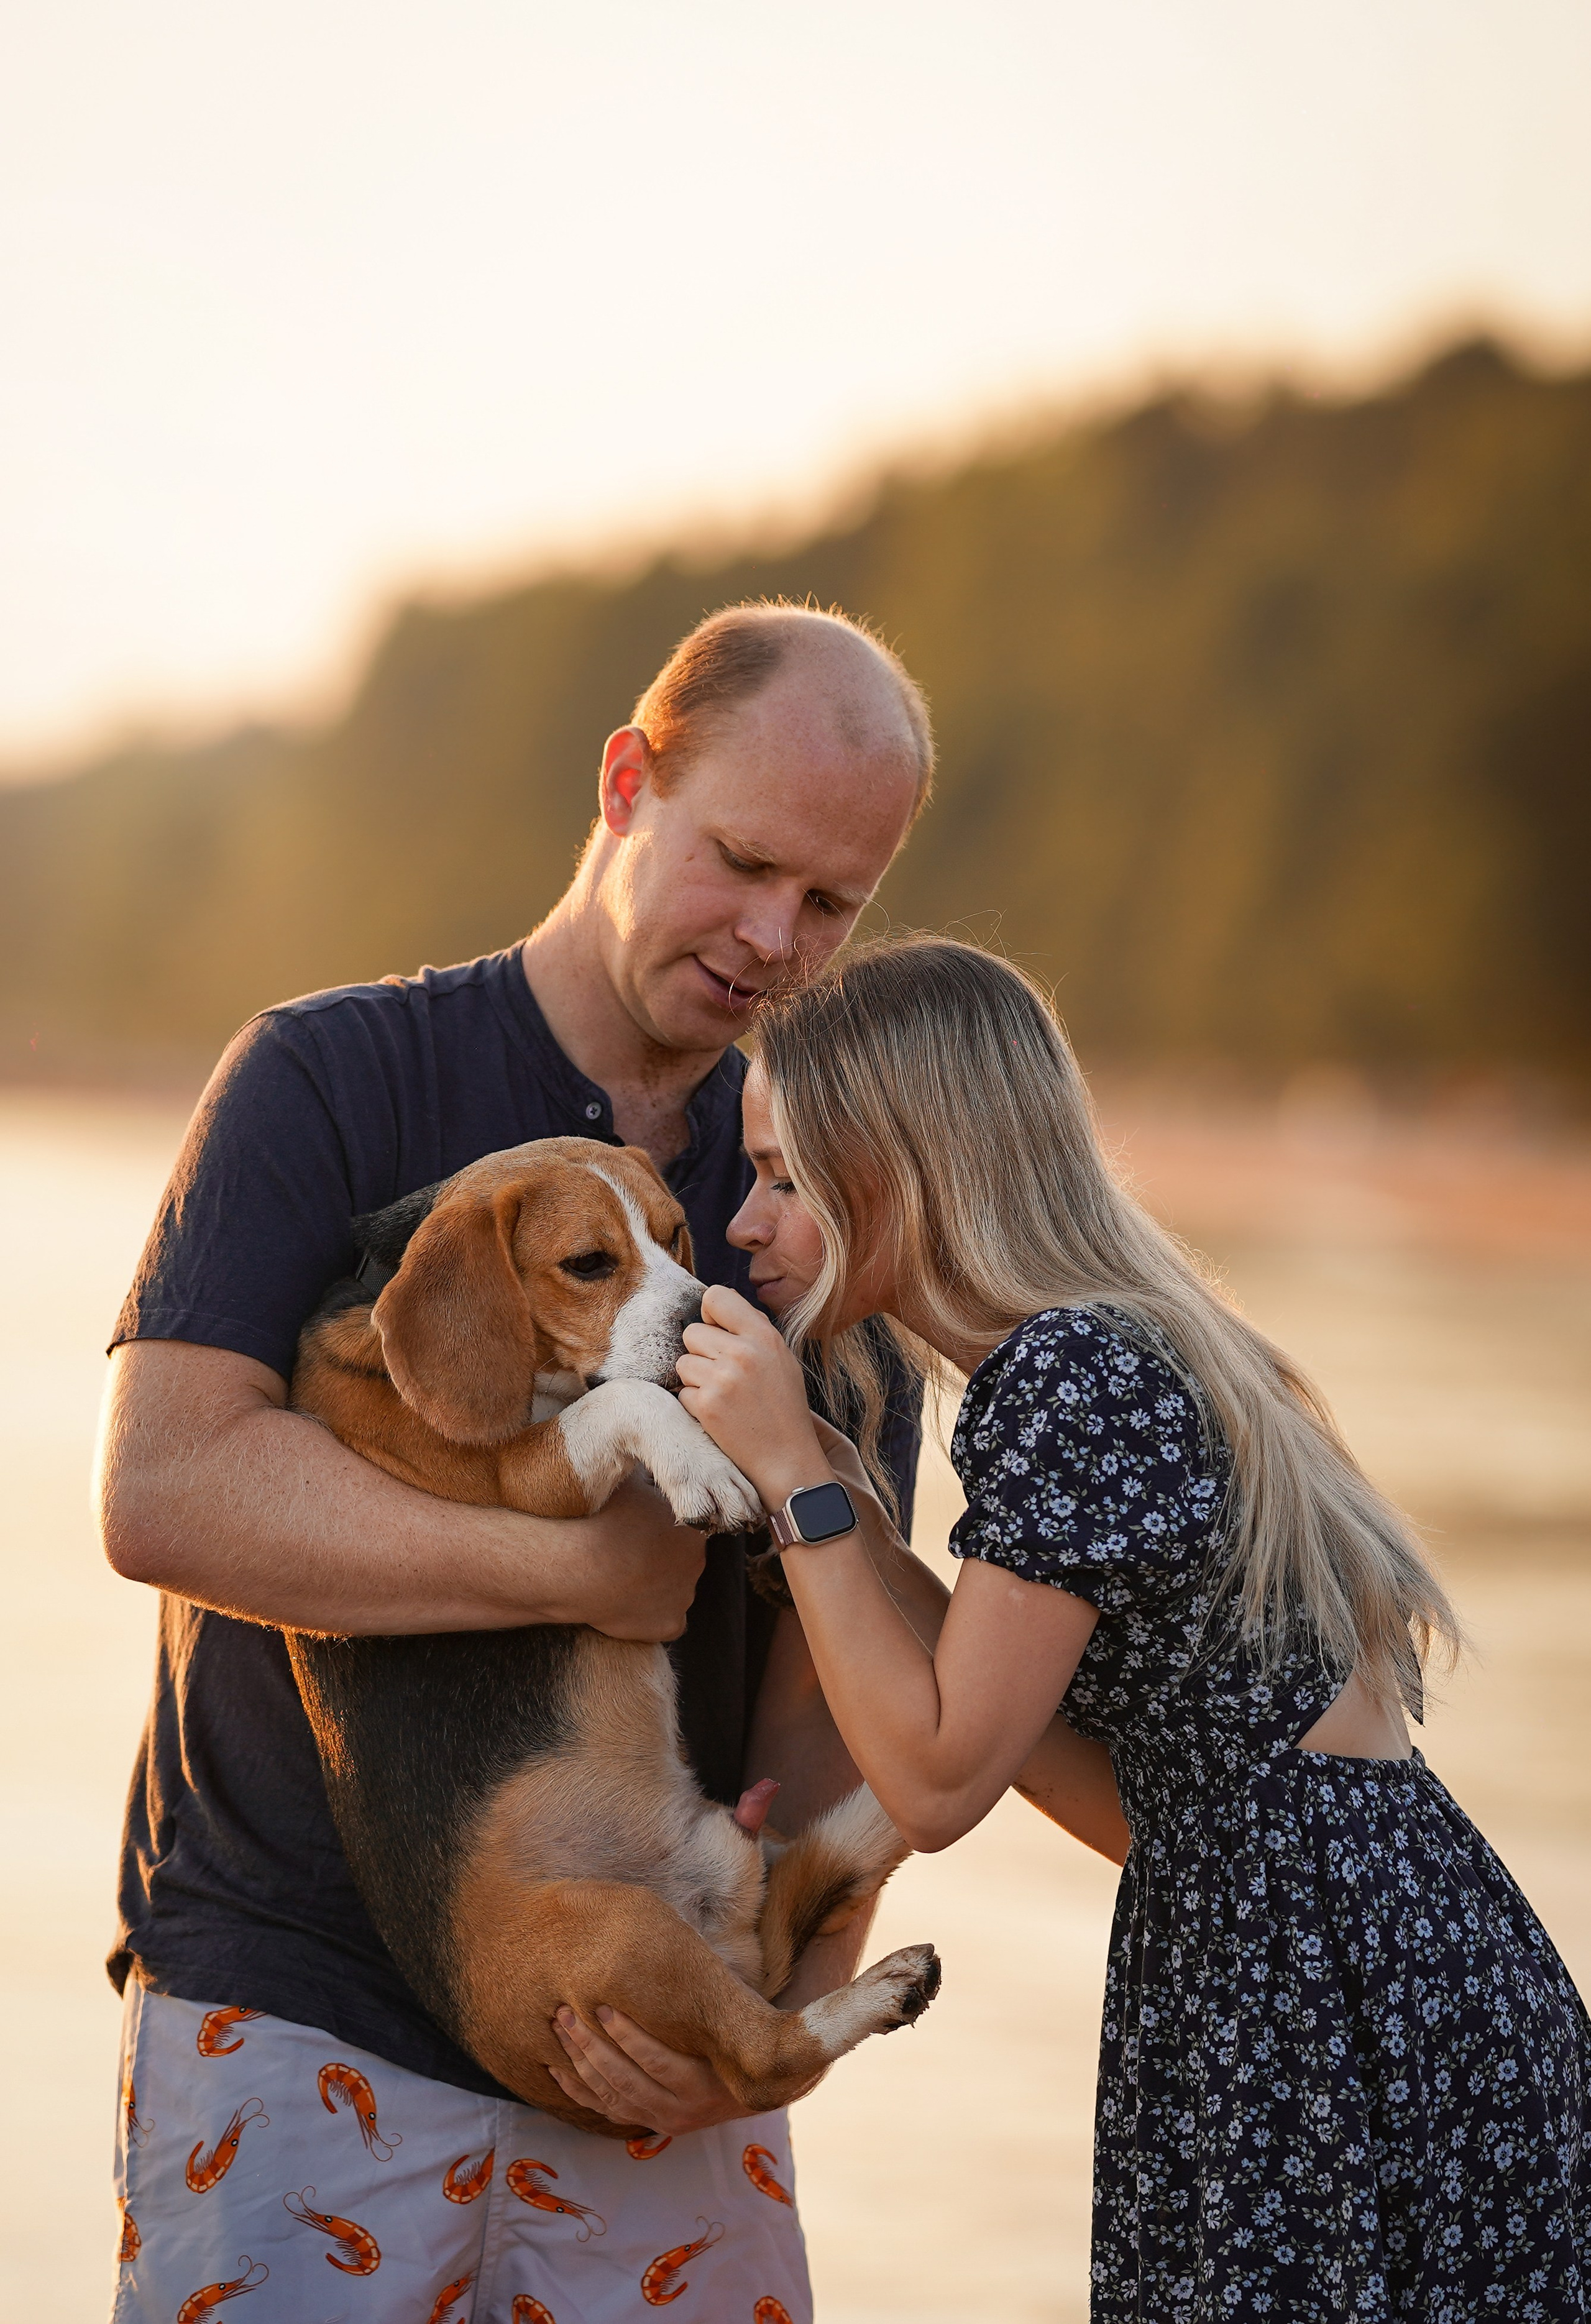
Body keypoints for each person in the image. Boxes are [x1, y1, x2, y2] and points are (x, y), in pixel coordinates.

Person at [95, 603, 940, 2324]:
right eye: (745, 861)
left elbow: (831, 1677)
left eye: (834, 903)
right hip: (291, 2008)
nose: (775, 939)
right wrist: (581, 1566)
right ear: (630, 779)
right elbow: (164, 1493)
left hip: (666, 2042)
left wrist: (768, 2013)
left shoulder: (825, 1197)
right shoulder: (329, 1078)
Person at [665, 934, 1591, 2323]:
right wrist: (843, 1512)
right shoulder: (1116, 1345)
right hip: (1360, 1961)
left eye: (786, 1176)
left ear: (903, 1172)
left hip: (1312, 2003)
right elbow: (1144, 1808)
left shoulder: (1065, 1380)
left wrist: (796, 1476)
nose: (746, 1221)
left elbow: (932, 1779)